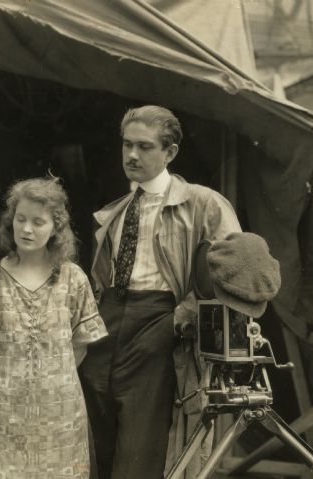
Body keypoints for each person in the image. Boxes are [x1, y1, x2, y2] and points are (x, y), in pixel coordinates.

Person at [80, 105, 242, 479]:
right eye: (127, 145)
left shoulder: (203, 203)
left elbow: (234, 270)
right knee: (93, 432)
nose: (132, 155)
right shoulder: (116, 212)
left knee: (140, 445)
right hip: (107, 321)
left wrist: (178, 318)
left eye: (145, 146)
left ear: (170, 153)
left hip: (160, 321)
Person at [0, 177, 108, 479]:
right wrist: (6, 386)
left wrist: (51, 379)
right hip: (2, 412)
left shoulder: (72, 279)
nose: (26, 229)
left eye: (38, 222)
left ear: (56, 228)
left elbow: (80, 343)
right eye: (20, 219)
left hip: (60, 412)